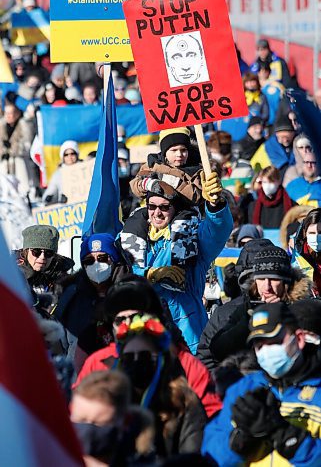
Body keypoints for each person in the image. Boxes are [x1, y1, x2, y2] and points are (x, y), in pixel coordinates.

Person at [75, 275, 222, 420]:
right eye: (120, 320)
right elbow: (76, 413)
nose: (128, 326)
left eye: (135, 318)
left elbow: (213, 416)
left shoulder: (183, 362)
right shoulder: (98, 362)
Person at [119, 176, 233, 355]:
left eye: (164, 207)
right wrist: (149, 274)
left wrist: (215, 206)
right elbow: (119, 272)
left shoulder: (191, 238)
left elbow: (217, 232)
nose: (157, 213)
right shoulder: (129, 238)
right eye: (152, 206)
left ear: (175, 209)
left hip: (188, 334)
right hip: (144, 332)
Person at [202, 302, 321, 466]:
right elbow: (210, 454)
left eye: (273, 342)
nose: (266, 351)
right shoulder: (245, 388)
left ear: (299, 339)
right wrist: (239, 440)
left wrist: (284, 435)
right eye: (259, 345)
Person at [197, 243, 311, 374]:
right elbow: (216, 351)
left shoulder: (305, 309)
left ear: (286, 282)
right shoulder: (242, 309)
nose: (267, 287)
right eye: (261, 279)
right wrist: (250, 317)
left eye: (273, 279)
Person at [115, 313, 207, 458]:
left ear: (160, 360)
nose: (136, 361)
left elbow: (192, 456)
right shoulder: (113, 403)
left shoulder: (185, 403)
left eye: (144, 355)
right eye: (128, 357)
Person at [55, 233, 131, 367]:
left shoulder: (134, 292)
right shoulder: (71, 298)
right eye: (89, 260)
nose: (96, 264)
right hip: (82, 380)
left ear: (114, 259)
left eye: (102, 258)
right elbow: (60, 344)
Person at [130, 127, 202, 205]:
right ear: (165, 152)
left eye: (183, 150)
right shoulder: (153, 165)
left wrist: (174, 182)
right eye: (174, 150)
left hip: (183, 213)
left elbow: (197, 197)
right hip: (153, 209)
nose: (179, 154)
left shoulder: (197, 170)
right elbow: (135, 186)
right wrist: (148, 184)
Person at [16, 224, 74, 299]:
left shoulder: (63, 280)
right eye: (36, 252)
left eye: (48, 253)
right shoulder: (9, 275)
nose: (42, 257)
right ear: (26, 252)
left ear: (54, 256)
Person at [0, 103, 35, 194]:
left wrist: (12, 149)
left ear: (16, 114)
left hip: (20, 159)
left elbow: (27, 143)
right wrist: (3, 149)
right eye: (7, 113)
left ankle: (26, 194)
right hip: (5, 161)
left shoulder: (24, 124)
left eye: (11, 113)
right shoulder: (1, 126)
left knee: (20, 165)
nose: (9, 116)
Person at [251, 115, 296, 180]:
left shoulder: (299, 143)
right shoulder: (269, 146)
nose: (285, 140)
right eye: (282, 137)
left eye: (287, 137)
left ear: (293, 134)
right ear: (277, 134)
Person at [42, 140, 81, 205]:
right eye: (66, 154)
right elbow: (51, 190)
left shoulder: (85, 169)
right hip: (67, 207)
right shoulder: (58, 174)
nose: (69, 157)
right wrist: (48, 198)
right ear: (63, 157)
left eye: (72, 153)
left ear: (77, 154)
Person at [292, 208, 321, 296]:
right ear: (305, 233)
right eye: (312, 233)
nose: (316, 237)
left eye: (320, 232)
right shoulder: (297, 255)